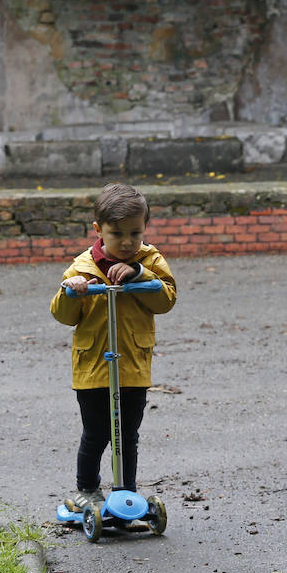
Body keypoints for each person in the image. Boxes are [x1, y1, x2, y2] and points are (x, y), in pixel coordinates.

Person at [51, 182, 178, 510]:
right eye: (117, 233)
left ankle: (126, 491)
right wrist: (72, 292)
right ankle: (87, 489)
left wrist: (139, 274)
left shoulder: (149, 260)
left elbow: (166, 298)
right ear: (98, 230)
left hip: (132, 364)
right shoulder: (81, 268)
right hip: (93, 365)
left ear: (145, 228)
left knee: (127, 435)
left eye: (135, 233)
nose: (127, 242)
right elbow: (63, 315)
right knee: (96, 433)